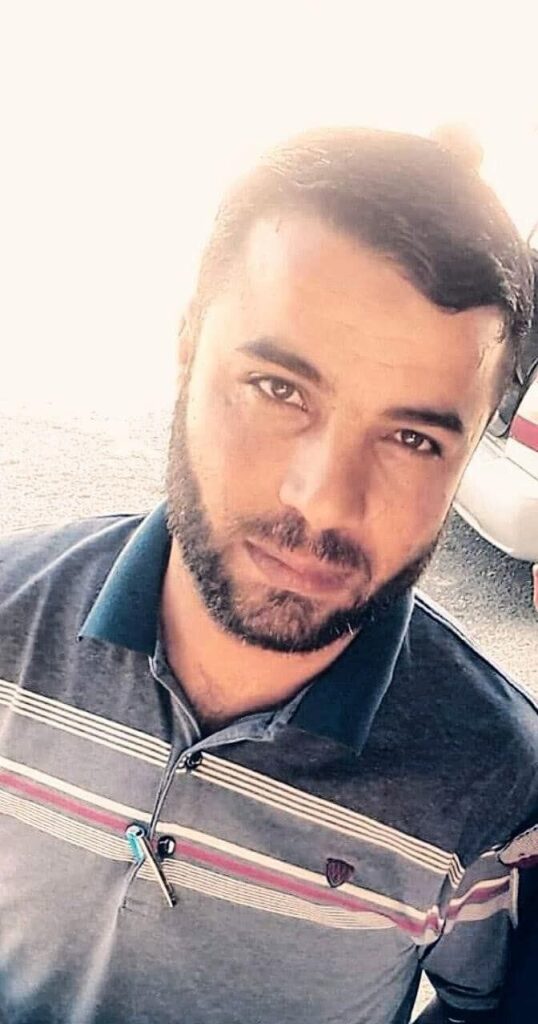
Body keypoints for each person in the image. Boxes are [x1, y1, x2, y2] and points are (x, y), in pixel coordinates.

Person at [0, 127, 537, 1024]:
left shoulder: (496, 783)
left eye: (412, 438)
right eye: (279, 389)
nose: (323, 499)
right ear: (186, 346)